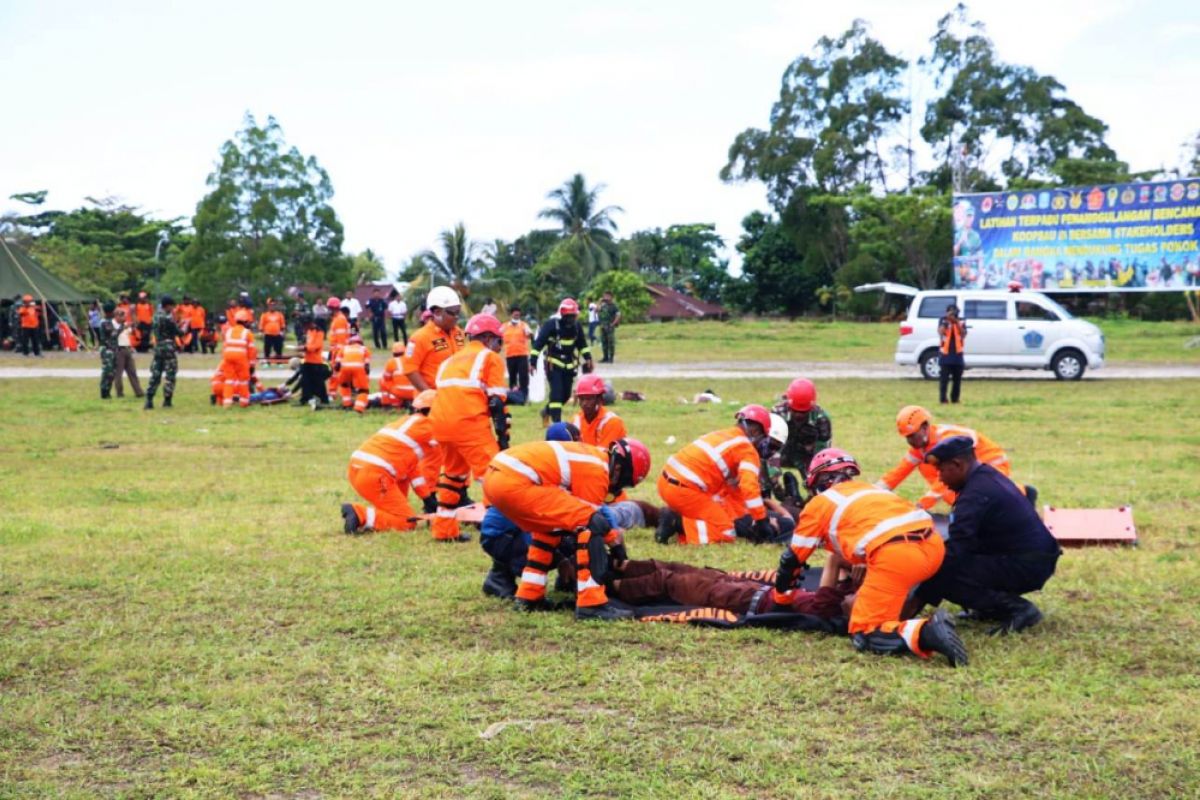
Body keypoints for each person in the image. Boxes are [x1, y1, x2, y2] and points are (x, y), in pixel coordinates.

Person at [774, 447, 969, 666]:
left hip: (897, 556)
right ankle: (900, 621)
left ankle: (925, 632)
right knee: (885, 612)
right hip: (933, 547)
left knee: (865, 632)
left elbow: (792, 560)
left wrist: (781, 598)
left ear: (818, 481)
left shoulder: (819, 504)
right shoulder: (873, 490)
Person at [484, 438, 651, 620]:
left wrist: (611, 538)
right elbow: (593, 520)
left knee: (549, 530)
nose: (619, 490)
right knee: (590, 526)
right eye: (625, 483)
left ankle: (529, 596)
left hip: (495, 478)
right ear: (619, 470)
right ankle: (592, 605)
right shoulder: (598, 470)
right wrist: (614, 543)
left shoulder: (591, 457)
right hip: (515, 481)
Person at [914, 437, 1060, 634]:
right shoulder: (986, 476)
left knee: (945, 572)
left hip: (1027, 565)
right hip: (1031, 558)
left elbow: (957, 550)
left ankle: (1018, 609)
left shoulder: (975, 493)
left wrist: (921, 595)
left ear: (957, 464)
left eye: (941, 470)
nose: (939, 478)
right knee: (951, 564)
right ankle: (989, 607)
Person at [428, 314, 509, 542]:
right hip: (468, 423)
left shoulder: (449, 361)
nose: (498, 346)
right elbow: (496, 402)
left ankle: (443, 530)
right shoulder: (489, 358)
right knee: (494, 475)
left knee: (453, 474)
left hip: (441, 424)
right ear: (487, 338)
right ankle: (499, 529)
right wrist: (503, 440)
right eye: (497, 340)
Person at [656, 405, 774, 546]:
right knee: (726, 531)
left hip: (664, 483)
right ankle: (677, 522)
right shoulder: (747, 450)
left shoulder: (720, 435)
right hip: (685, 491)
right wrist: (761, 520)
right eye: (763, 438)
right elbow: (749, 488)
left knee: (712, 513)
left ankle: (679, 521)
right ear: (755, 430)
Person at [880, 405, 1030, 510]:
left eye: (913, 435)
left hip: (993, 467)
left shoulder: (947, 440)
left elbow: (945, 480)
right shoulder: (920, 447)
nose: (911, 441)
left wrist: (921, 506)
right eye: (907, 438)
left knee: (983, 498)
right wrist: (872, 493)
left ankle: (1024, 493)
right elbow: (897, 474)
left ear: (925, 427)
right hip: (973, 470)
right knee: (930, 469)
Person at [341, 389, 440, 534]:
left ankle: (381, 514)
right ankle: (359, 514)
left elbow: (411, 468)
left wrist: (426, 497)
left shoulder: (405, 423)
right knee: (407, 522)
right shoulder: (429, 426)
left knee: (401, 491)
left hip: (359, 469)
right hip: (376, 475)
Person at [530, 298, 593, 423]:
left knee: (565, 396)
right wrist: (532, 362)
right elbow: (538, 344)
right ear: (562, 315)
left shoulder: (576, 327)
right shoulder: (551, 325)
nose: (571, 319)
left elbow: (582, 344)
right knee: (557, 393)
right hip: (553, 364)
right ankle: (556, 424)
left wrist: (588, 358)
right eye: (568, 316)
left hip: (569, 365)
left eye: (573, 316)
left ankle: (546, 411)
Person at [403, 286, 465, 392]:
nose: (456, 316)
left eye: (458, 312)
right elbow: (410, 370)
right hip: (432, 401)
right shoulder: (419, 337)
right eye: (452, 313)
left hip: (456, 397)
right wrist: (428, 395)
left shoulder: (459, 333)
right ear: (437, 312)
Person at [771, 378, 833, 483]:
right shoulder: (777, 414)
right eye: (795, 411)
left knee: (822, 479)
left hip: (807, 456)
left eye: (804, 412)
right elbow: (768, 449)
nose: (799, 415)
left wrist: (815, 478)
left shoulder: (821, 418)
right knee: (762, 468)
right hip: (781, 453)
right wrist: (773, 476)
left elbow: (823, 455)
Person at [144, 295, 184, 409]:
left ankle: (149, 399)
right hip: (168, 348)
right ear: (168, 306)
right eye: (172, 306)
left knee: (155, 374)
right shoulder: (168, 318)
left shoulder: (155, 316)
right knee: (170, 374)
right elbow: (177, 332)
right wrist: (182, 328)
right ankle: (167, 401)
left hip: (158, 347)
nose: (173, 309)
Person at [572, 374, 626, 449]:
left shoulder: (613, 422)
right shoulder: (576, 420)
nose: (584, 403)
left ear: (599, 399)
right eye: (581, 399)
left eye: (588, 399)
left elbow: (604, 456)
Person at [220, 311, 255, 408]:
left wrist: (224, 358)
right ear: (245, 322)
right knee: (243, 380)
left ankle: (227, 402)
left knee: (229, 380)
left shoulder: (229, 331)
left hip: (227, 356)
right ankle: (244, 402)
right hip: (240, 357)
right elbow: (252, 350)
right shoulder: (247, 333)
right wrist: (252, 365)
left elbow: (224, 346)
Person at [501, 306, 533, 400]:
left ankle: (524, 396)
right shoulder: (505, 326)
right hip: (510, 355)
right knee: (512, 376)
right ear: (511, 314)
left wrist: (530, 334)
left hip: (522, 355)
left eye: (518, 314)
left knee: (523, 377)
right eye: (515, 314)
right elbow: (498, 336)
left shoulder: (524, 325)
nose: (517, 316)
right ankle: (513, 396)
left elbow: (530, 335)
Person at [937, 303, 966, 404]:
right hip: (945, 353)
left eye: (954, 312)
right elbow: (940, 332)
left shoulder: (961, 321)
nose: (952, 315)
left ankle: (955, 399)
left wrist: (956, 322)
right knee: (944, 379)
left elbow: (963, 334)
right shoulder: (943, 320)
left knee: (957, 379)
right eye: (950, 312)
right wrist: (946, 321)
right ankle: (943, 399)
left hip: (957, 354)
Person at [112, 307, 143, 398]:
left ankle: (138, 392)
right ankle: (119, 393)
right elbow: (113, 335)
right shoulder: (113, 325)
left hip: (127, 349)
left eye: (124, 315)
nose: (123, 317)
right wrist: (123, 327)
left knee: (132, 371)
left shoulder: (124, 324)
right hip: (119, 350)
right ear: (116, 316)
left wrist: (133, 314)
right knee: (119, 373)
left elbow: (135, 325)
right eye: (121, 316)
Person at [336, 334, 371, 413]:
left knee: (344, 385)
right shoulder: (364, 349)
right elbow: (367, 364)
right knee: (363, 389)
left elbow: (337, 364)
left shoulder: (344, 348)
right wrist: (366, 372)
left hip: (345, 368)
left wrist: (339, 370)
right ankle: (359, 407)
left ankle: (346, 404)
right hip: (358, 368)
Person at [299, 315, 330, 406]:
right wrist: (303, 348)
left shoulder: (319, 332)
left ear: (310, 323)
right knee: (305, 380)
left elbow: (316, 346)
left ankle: (324, 399)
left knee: (318, 382)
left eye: (305, 325)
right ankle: (305, 399)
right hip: (307, 360)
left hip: (316, 361)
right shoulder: (309, 331)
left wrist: (305, 348)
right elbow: (308, 343)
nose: (304, 327)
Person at [379, 341, 417, 408]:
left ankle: (386, 404)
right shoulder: (412, 359)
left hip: (400, 392)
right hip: (415, 392)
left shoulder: (391, 362)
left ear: (393, 352)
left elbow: (386, 378)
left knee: (382, 381)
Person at [97, 302, 118, 399]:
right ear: (109, 312)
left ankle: (108, 391)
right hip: (107, 349)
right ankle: (104, 391)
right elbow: (113, 334)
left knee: (112, 372)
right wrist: (122, 327)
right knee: (107, 371)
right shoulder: (104, 322)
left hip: (112, 349)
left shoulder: (111, 321)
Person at [597, 291, 621, 363]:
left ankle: (611, 358)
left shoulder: (614, 306)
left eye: (607, 296)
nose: (605, 298)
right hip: (603, 326)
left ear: (611, 297)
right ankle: (605, 357)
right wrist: (599, 302)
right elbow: (597, 310)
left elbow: (618, 315)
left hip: (610, 326)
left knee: (610, 343)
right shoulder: (603, 305)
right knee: (604, 342)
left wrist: (613, 324)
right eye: (604, 296)